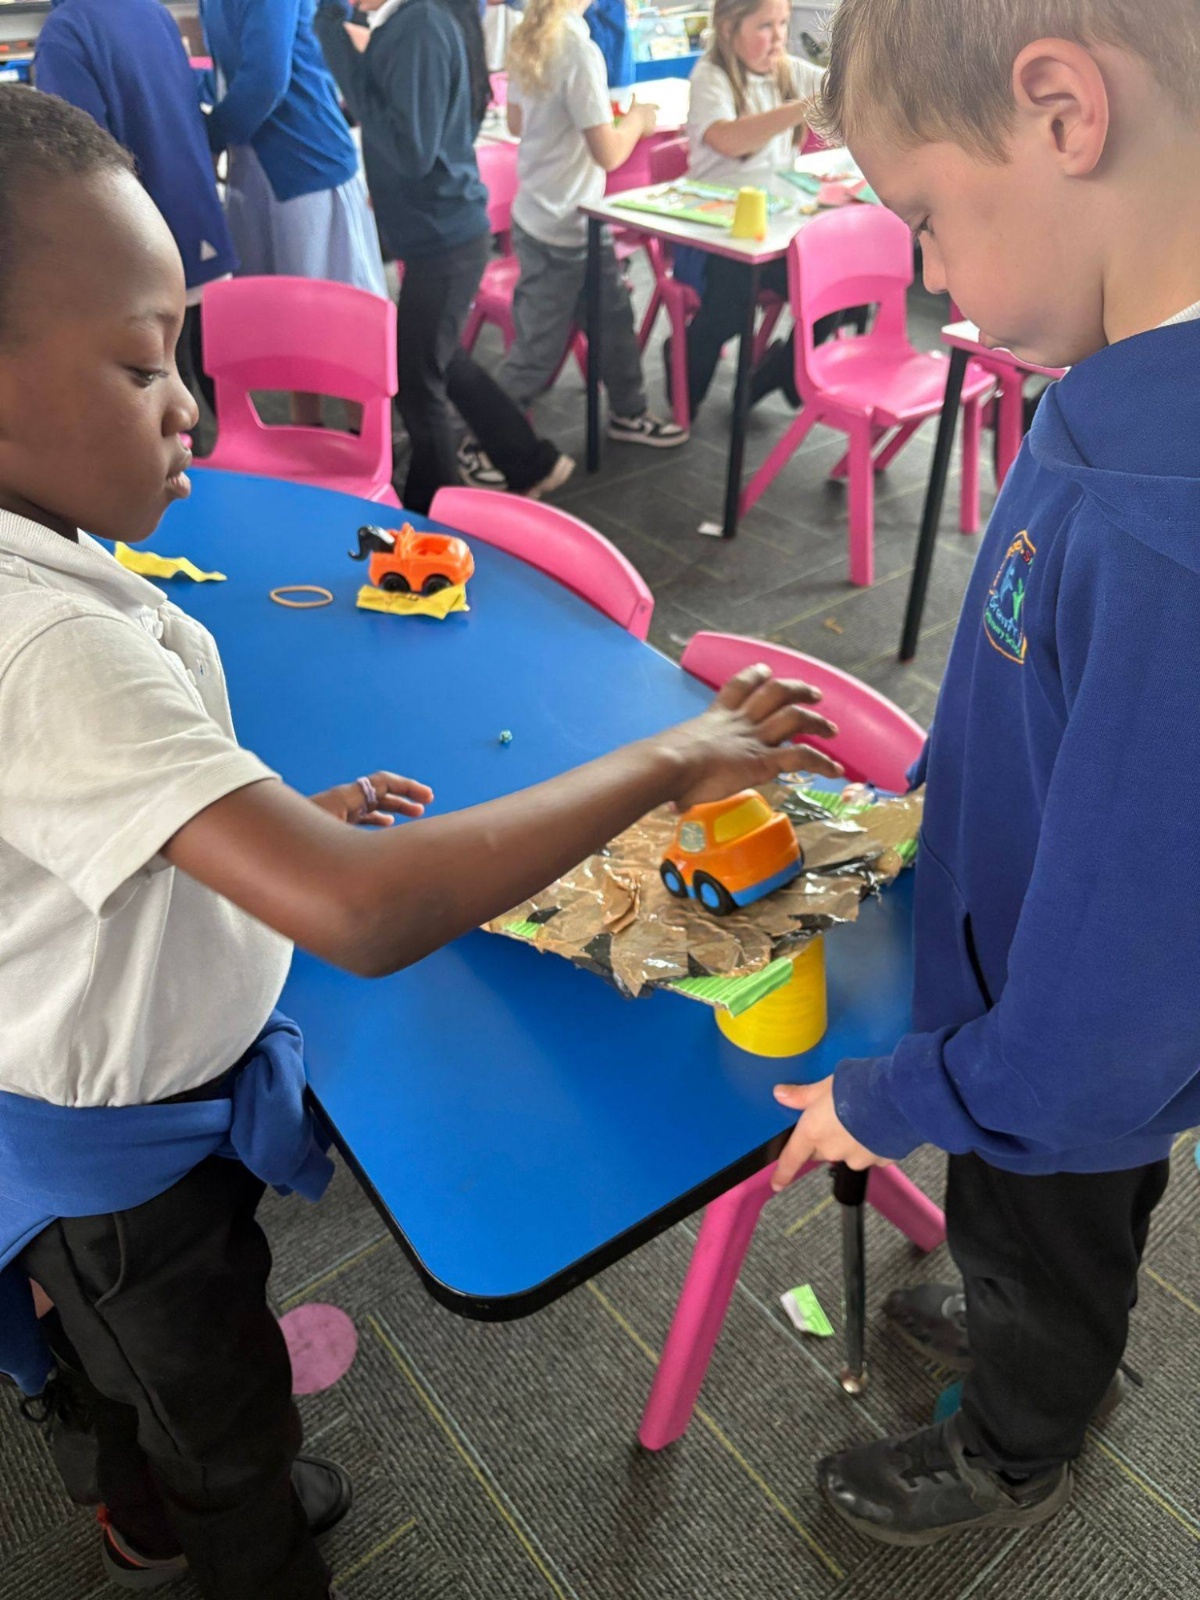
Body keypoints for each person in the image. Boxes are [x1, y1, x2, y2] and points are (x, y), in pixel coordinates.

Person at [0, 85, 842, 1600]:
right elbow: (366, 915)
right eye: (140, 365)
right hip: (121, 1161)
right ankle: (228, 1543)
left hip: (103, 1118)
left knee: (137, 1363)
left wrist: (258, 821)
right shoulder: (48, 644)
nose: (186, 405)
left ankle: (138, 1501)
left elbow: (64, 820)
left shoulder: (42, 570)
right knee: (214, 1407)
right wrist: (673, 755)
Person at [768, 0, 1200, 1548]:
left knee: (1054, 1222)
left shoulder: (1167, 535)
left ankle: (1018, 1438)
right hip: (1020, 998)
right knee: (1040, 1222)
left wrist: (891, 1099)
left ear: (1063, 112)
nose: (933, 276)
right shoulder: (1113, 383)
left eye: (926, 219)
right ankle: (1026, 1317)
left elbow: (1094, 1046)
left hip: (1047, 1059)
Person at [315, 0, 575, 511]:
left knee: (417, 381)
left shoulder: (419, 26)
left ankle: (432, 511)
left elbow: (411, 151)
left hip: (446, 239)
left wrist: (342, 50)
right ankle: (530, 461)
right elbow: (413, 132)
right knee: (440, 357)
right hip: (439, 232)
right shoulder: (410, 24)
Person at [479, 0, 685, 473]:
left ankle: (629, 412)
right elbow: (609, 154)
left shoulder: (531, 35)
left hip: (560, 219)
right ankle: (484, 445)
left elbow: (516, 122)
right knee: (537, 351)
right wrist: (638, 121)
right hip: (563, 226)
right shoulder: (577, 48)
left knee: (613, 321)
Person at [33, 0, 236, 416]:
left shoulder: (66, 31)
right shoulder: (154, 11)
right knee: (222, 395)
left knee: (162, 410)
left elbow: (81, 167)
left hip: (139, 248)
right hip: (199, 222)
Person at [200, 0, 387, 427]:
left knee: (339, 327)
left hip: (308, 164)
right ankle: (309, 434)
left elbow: (265, 80)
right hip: (258, 168)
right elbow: (228, 73)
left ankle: (366, 440)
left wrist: (210, 134)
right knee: (293, 326)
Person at [680, 0, 826, 415]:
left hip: (775, 231)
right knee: (731, 304)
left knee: (836, 289)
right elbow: (729, 139)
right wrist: (803, 107)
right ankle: (685, 377)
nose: (779, 37)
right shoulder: (710, 77)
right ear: (729, 29)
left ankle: (774, 377)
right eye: (765, 26)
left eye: (783, 23)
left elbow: (841, 88)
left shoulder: (787, 69)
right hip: (714, 236)